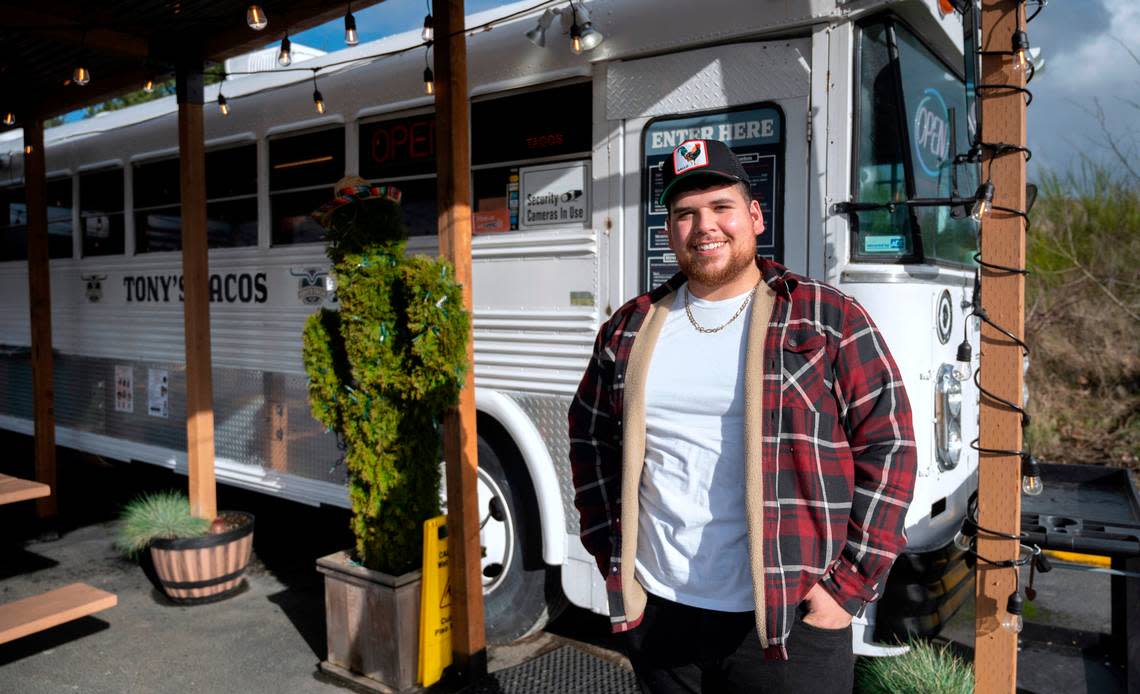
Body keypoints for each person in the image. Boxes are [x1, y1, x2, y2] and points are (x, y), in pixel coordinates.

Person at [568, 139, 917, 693]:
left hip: (789, 621)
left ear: (754, 216)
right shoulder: (630, 328)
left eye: (720, 207)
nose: (704, 225)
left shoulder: (825, 318)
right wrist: (611, 550)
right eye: (685, 213)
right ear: (669, 231)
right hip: (660, 612)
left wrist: (848, 586)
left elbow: (889, 444)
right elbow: (588, 439)